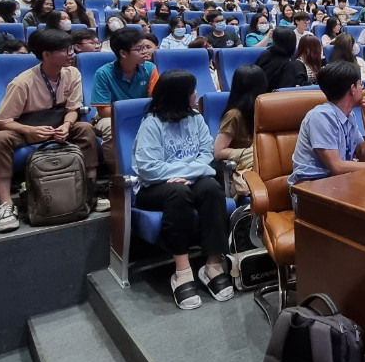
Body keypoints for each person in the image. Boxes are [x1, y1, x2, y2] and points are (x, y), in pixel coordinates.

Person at [132, 70, 233, 309]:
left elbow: (206, 154)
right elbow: (148, 168)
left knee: (211, 188)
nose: (196, 94)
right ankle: (182, 270)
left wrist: (185, 174)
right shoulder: (152, 123)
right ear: (179, 95)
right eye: (192, 91)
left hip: (190, 180)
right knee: (178, 193)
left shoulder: (195, 118)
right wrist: (181, 174)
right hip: (154, 188)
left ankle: (212, 265)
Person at [0, 29, 103, 224]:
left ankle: (89, 190)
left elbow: (73, 108)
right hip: (27, 127)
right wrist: (30, 130)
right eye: (65, 50)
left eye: (70, 49)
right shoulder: (22, 83)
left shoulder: (72, 73)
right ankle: (6, 204)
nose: (71, 54)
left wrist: (67, 125)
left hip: (58, 123)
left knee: (85, 128)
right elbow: (2, 120)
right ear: (46, 55)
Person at [288, 61, 365, 192]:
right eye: (360, 84)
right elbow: (337, 167)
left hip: (339, 185)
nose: (362, 88)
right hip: (310, 189)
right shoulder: (321, 116)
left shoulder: (348, 116)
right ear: (352, 89)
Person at [90, 28, 160, 169]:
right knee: (111, 127)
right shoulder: (103, 73)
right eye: (139, 49)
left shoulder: (150, 68)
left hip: (144, 114)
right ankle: (117, 172)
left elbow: (157, 100)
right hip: (110, 117)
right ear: (123, 53)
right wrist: (131, 114)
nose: (145, 52)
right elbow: (103, 111)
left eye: (146, 47)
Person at [213, 65, 268, 198]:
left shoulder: (266, 109)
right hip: (243, 169)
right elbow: (218, 151)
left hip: (264, 164)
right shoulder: (233, 115)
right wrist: (251, 153)